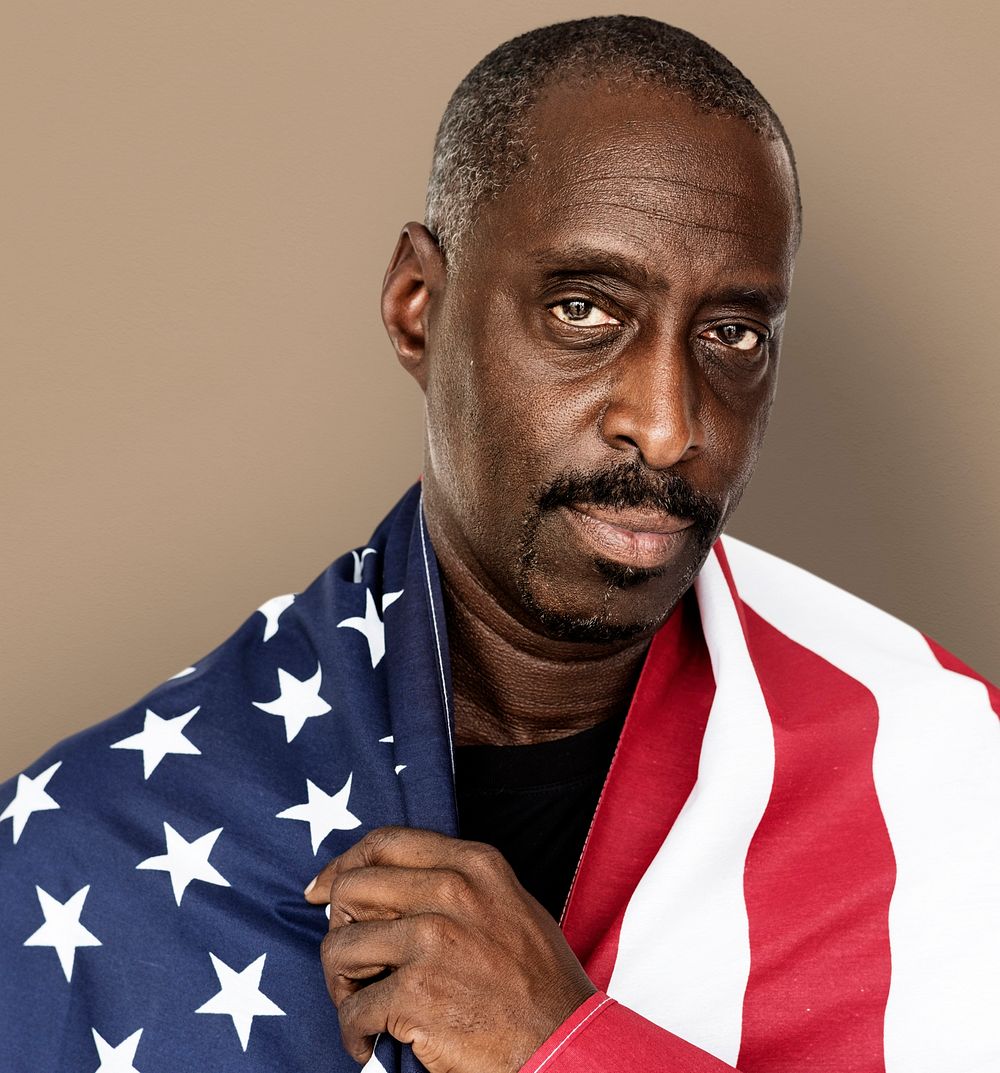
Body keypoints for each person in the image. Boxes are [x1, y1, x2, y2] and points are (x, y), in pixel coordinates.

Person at [1, 14, 997, 1073]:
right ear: (417, 305)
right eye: (583, 308)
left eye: (732, 334)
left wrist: (563, 1044)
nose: (668, 423)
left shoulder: (937, 778)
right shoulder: (91, 848)